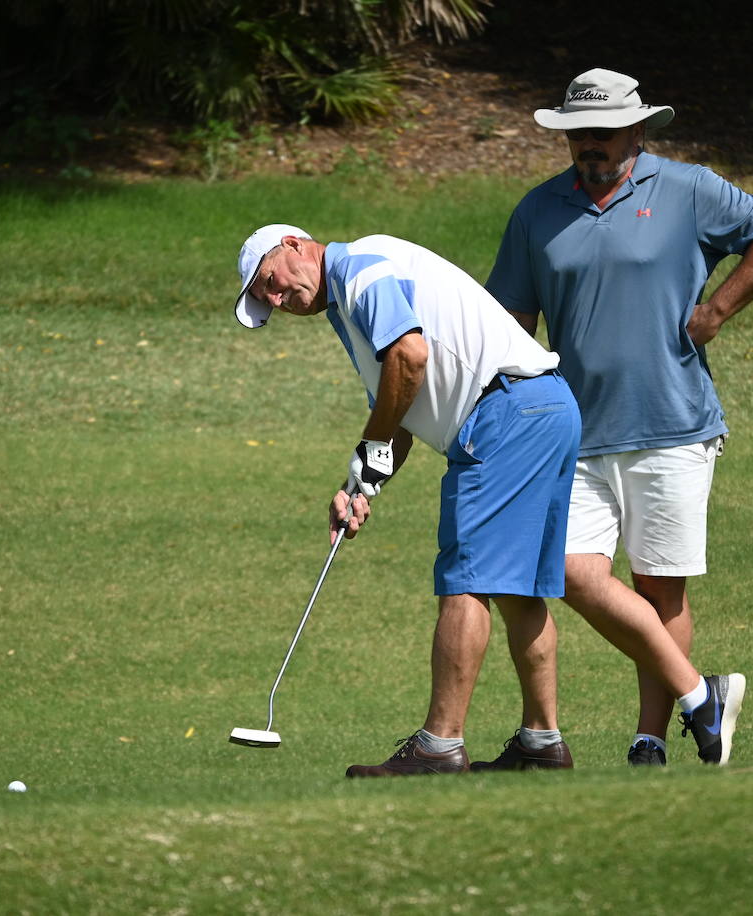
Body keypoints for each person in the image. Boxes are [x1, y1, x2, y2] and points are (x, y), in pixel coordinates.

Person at [486, 68, 753, 767]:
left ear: (636, 130)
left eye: (601, 133)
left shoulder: (689, 189)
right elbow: (512, 325)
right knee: (568, 572)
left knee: (660, 584)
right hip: (575, 430)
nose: (588, 145)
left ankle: (650, 741)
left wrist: (716, 310)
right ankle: (701, 695)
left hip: (673, 423)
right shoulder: (538, 211)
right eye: (577, 135)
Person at [233, 224, 582, 777]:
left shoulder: (361, 268)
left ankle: (439, 746)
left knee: (465, 580)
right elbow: (400, 414)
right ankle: (541, 741)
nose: (276, 300)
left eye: (268, 282)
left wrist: (371, 447)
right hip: (542, 409)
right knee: (517, 591)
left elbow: (410, 357)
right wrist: (361, 487)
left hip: (504, 414)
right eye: (265, 302)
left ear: (294, 246)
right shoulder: (349, 305)